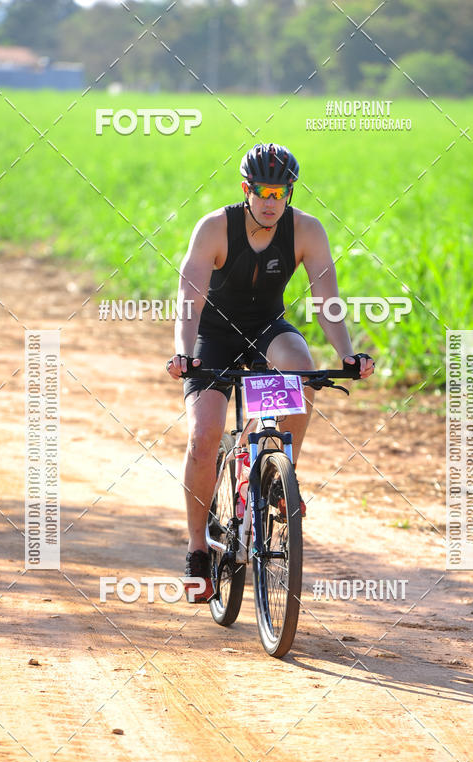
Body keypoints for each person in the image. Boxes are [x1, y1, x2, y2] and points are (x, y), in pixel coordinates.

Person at [166, 143, 374, 601]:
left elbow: (327, 301)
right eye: (262, 191)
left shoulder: (307, 231)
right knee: (204, 436)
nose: (270, 201)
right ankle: (198, 548)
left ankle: (278, 475)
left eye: (279, 193)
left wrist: (347, 354)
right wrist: (183, 353)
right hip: (213, 335)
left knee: (300, 368)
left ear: (290, 193)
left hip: (265, 330)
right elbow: (189, 298)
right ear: (247, 189)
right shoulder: (214, 228)